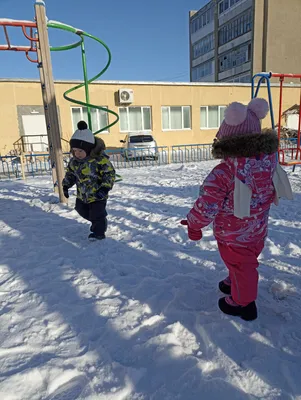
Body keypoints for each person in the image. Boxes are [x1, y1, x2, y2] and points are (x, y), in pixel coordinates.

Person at [181, 98, 293, 321]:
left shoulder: (224, 173)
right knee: (242, 262)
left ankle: (243, 303)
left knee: (243, 266)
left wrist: (193, 225)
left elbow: (206, 206)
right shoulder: (268, 163)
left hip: (233, 236)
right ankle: (235, 281)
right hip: (257, 232)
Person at [62, 121, 115, 241]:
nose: (77, 154)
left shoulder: (99, 160)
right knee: (81, 210)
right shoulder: (74, 162)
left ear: (89, 149)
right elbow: (71, 174)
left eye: (80, 151)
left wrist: (104, 188)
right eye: (75, 151)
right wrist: (66, 185)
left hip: (98, 195)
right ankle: (99, 221)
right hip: (82, 195)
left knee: (97, 214)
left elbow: (109, 174)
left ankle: (99, 232)